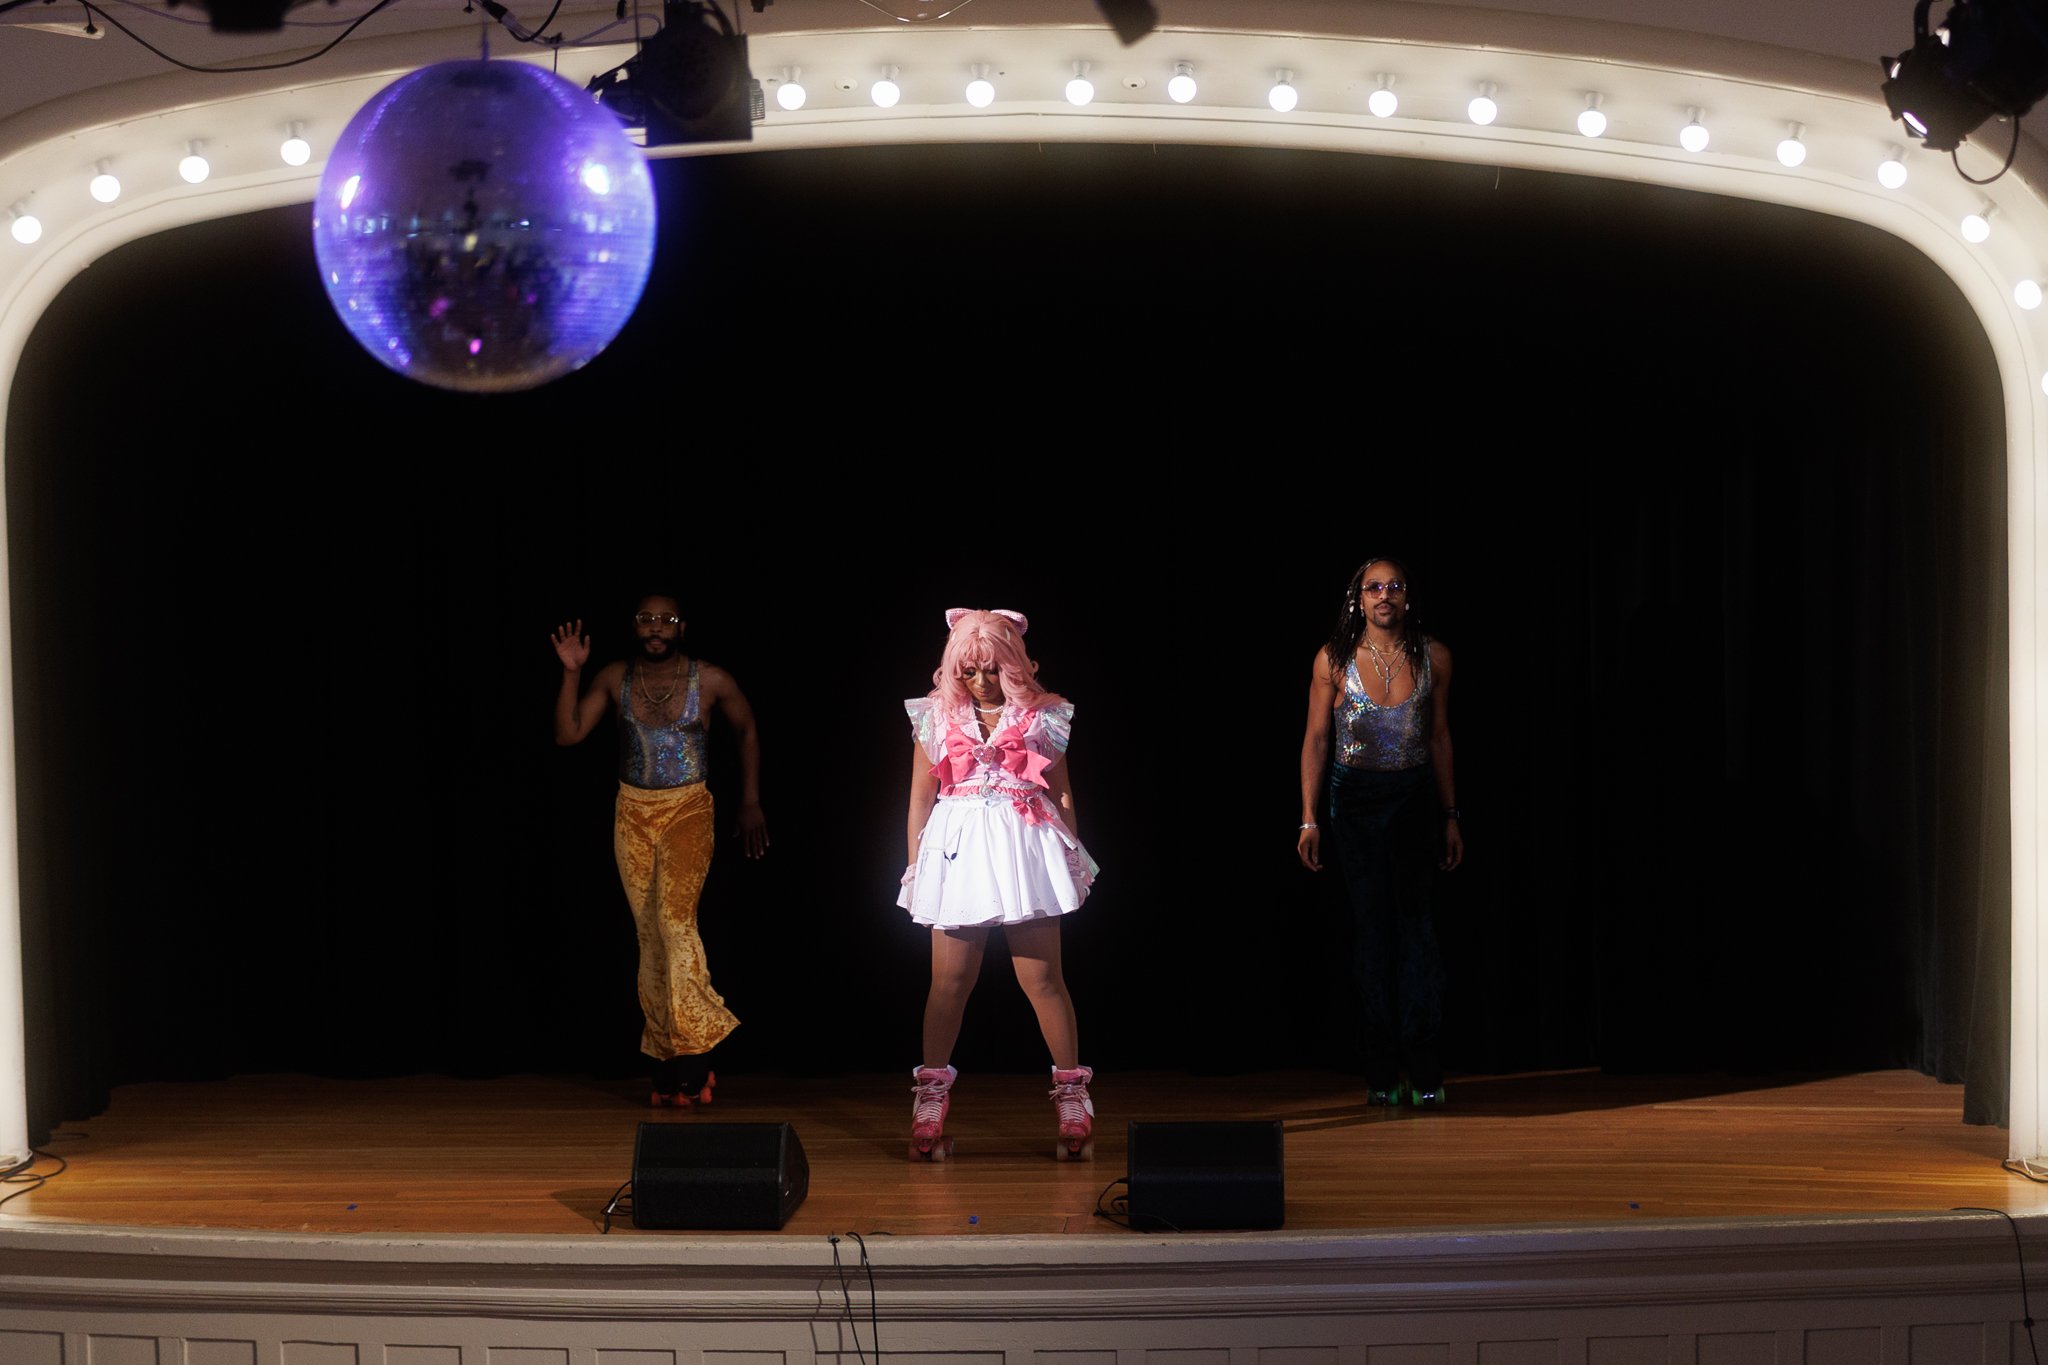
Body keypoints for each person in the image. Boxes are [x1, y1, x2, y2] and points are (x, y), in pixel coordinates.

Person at [550, 594, 769, 1108]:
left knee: (674, 924)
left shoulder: (709, 678)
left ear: (681, 627)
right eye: (646, 619)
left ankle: (694, 1047)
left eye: (665, 620)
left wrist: (751, 800)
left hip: (687, 808)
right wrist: (571, 673)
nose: (656, 627)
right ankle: (665, 1053)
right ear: (634, 626)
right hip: (632, 810)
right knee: (649, 936)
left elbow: (747, 729)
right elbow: (568, 734)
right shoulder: (615, 677)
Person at [898, 608, 1100, 1161]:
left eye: (991, 669)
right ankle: (930, 1098)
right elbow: (920, 797)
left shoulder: (1042, 716)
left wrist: (1069, 853)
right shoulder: (937, 717)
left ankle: (1072, 1096)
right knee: (949, 981)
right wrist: (916, 866)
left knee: (1043, 979)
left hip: (1022, 846)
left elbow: (1060, 791)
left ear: (1012, 664)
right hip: (958, 848)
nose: (981, 681)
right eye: (969, 671)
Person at [1296, 557, 1463, 1109]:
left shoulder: (1434, 656)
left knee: (1418, 931)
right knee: (1371, 932)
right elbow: (1317, 739)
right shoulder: (1333, 658)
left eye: (1394, 586)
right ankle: (1381, 1069)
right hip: (1355, 802)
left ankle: (1424, 1064)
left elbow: (1438, 737)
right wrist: (1309, 817)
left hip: (1414, 798)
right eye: (1374, 588)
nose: (1384, 595)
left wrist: (1450, 814)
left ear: (1406, 597)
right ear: (1359, 598)